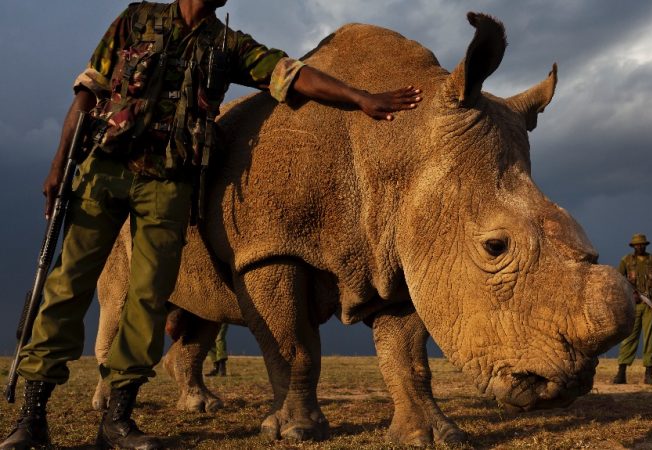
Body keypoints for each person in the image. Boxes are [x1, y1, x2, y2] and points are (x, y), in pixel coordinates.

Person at [1, 1, 421, 448]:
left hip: (169, 185)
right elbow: (89, 88)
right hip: (104, 169)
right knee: (68, 285)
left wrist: (361, 99)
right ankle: (32, 416)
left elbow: (292, 76)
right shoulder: (137, 18)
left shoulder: (228, 45)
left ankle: (118, 420)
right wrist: (59, 162)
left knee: (148, 297)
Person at [612, 233, 652, 385]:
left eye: (642, 244)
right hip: (632, 305)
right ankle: (621, 373)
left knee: (650, 338)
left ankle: (649, 374)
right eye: (637, 245)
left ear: (645, 245)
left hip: (650, 305)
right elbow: (618, 280)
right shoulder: (626, 260)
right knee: (629, 338)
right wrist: (630, 294)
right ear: (633, 246)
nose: (639, 246)